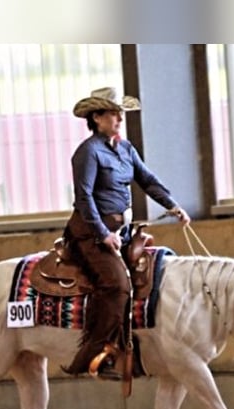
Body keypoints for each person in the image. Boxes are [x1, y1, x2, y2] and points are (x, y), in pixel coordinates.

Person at [61, 87, 190, 377]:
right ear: (96, 117)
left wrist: (172, 205)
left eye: (120, 113)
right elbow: (84, 199)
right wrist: (103, 234)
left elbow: (147, 179)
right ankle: (96, 355)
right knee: (117, 286)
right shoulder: (87, 152)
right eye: (112, 113)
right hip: (92, 232)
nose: (120, 118)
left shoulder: (125, 148)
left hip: (123, 230)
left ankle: (139, 345)